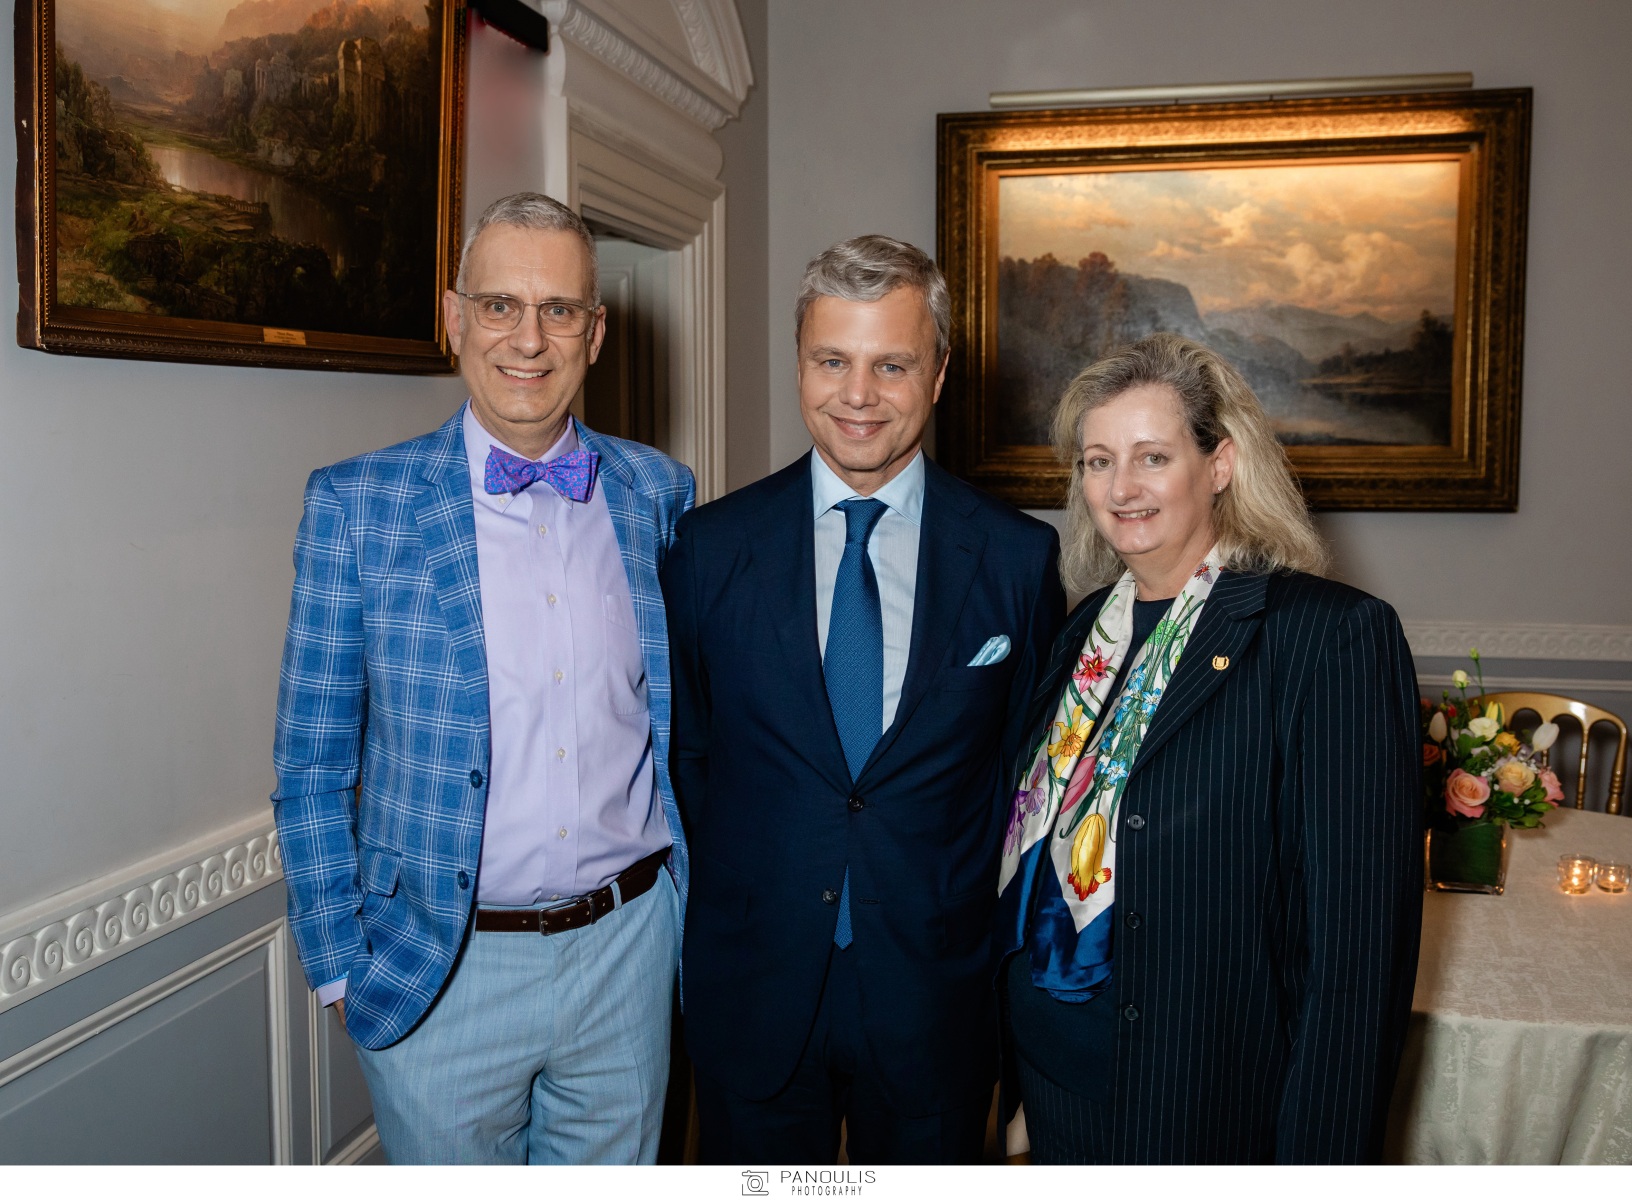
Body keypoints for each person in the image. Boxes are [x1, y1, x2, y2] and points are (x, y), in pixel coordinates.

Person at [271, 192, 694, 1164]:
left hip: (628, 952)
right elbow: (311, 764)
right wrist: (338, 964)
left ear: (595, 332)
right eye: (500, 305)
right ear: (456, 318)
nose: (528, 340)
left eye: (558, 310)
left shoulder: (658, 493)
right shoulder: (356, 507)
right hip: (440, 970)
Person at [662, 235, 1064, 1165]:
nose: (858, 394)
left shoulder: (1016, 557)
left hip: (935, 988)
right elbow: (690, 756)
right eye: (832, 361)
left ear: (939, 372)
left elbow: (1028, 780)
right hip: (756, 984)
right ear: (799, 363)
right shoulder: (709, 548)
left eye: (892, 364)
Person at [998, 331, 1422, 1164]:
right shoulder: (1083, 633)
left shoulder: (1327, 638)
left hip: (1197, 1108)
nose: (1121, 488)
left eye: (1152, 457)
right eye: (1097, 461)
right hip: (1054, 1088)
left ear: (1220, 464)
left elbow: (1358, 960)